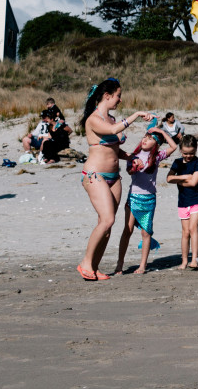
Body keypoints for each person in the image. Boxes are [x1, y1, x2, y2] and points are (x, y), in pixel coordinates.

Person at [75, 79, 142, 280]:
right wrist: (136, 115)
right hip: (95, 175)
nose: (120, 100)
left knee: (106, 224)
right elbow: (113, 132)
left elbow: (113, 149)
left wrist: (130, 157)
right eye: (118, 96)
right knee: (108, 219)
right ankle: (85, 263)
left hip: (114, 177)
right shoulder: (94, 119)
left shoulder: (112, 119)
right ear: (107, 96)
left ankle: (94, 268)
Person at [114, 127, 175, 274]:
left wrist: (162, 132)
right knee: (127, 230)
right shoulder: (133, 156)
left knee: (146, 233)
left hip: (149, 199)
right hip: (134, 197)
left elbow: (174, 147)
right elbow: (129, 171)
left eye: (150, 139)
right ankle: (120, 264)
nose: (145, 140)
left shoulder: (157, 156)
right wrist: (134, 167)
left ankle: (142, 265)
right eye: (145, 137)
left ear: (156, 144)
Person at [168, 135, 198, 269]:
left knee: (192, 228)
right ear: (180, 150)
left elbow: (193, 182)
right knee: (185, 232)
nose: (188, 156)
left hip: (197, 199)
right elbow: (168, 178)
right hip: (183, 201)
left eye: (191, 153)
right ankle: (184, 260)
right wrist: (185, 177)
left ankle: (194, 259)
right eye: (185, 153)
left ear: (195, 150)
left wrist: (178, 180)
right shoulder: (177, 162)